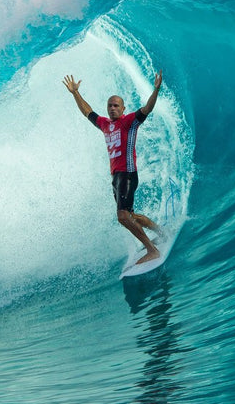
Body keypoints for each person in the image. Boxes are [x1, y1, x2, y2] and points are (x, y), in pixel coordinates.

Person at [63, 71, 164, 264]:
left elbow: (147, 109)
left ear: (123, 108)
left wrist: (156, 89)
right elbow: (87, 111)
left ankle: (152, 250)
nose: (112, 108)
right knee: (131, 215)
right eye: (109, 105)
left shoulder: (129, 122)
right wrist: (75, 93)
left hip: (127, 174)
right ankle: (162, 233)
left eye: (116, 105)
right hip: (116, 177)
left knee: (123, 216)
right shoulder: (104, 124)